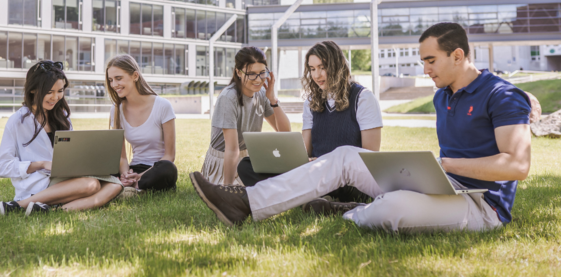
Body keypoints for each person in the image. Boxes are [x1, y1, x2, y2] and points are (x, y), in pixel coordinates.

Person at [189, 22, 532, 233]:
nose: (425, 68)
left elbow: (517, 166)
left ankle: (351, 211)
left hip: (482, 205)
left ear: (458, 55)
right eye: (422, 61)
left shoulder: (503, 96)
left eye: (430, 60)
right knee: (343, 156)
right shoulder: (444, 95)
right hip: (441, 184)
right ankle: (245, 203)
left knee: (393, 210)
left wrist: (448, 166)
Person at [236, 41, 382, 209]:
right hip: (314, 175)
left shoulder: (363, 98)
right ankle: (317, 200)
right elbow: (305, 152)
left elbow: (369, 159)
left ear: (337, 66)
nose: (317, 75)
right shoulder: (311, 102)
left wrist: (324, 163)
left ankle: (308, 199)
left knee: (318, 180)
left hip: (348, 181)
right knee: (247, 166)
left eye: (322, 67)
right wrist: (302, 160)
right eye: (312, 69)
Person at [0, 60, 123, 216]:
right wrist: (41, 164)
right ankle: (18, 205)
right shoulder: (17, 121)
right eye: (49, 92)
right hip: (38, 183)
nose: (55, 97)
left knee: (115, 185)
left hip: (64, 177)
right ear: (33, 90)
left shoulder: (61, 116)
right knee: (91, 185)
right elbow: (3, 167)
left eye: (60, 91)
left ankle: (51, 210)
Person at [201, 46, 291, 185]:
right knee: (254, 192)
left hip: (249, 159)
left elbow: (285, 133)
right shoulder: (228, 97)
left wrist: (272, 100)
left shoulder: (261, 94)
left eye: (262, 73)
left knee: (283, 178)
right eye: (251, 73)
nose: (258, 79)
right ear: (238, 72)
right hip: (225, 162)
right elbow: (231, 150)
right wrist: (228, 189)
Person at [106, 55, 178, 194]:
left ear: (135, 76)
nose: (114, 85)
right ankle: (133, 187)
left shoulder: (162, 106)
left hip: (155, 169)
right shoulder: (116, 110)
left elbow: (170, 156)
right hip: (133, 168)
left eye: (118, 78)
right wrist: (126, 175)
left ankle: (127, 187)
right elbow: (121, 157)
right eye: (111, 80)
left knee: (168, 168)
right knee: (101, 165)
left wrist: (140, 176)